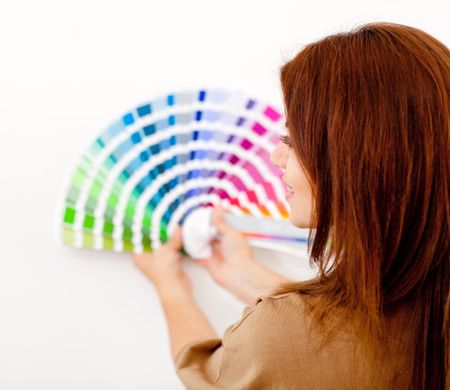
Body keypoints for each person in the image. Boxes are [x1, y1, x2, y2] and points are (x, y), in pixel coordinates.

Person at [133, 22, 449, 389]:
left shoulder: (279, 336)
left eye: (292, 139)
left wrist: (169, 285)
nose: (276, 155)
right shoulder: (427, 312)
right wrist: (243, 276)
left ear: (351, 161)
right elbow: (345, 328)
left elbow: (208, 372)